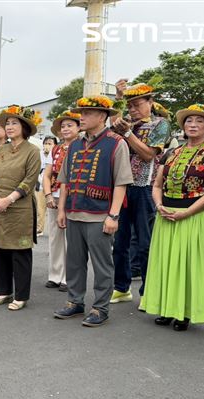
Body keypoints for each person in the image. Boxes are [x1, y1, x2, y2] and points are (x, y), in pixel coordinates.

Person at [140, 104, 204, 331]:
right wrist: (159, 205)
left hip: (194, 216)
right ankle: (167, 308)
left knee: (188, 264)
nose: (193, 125)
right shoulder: (171, 153)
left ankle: (185, 312)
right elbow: (157, 184)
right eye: (189, 121)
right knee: (166, 262)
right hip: (166, 214)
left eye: (199, 121)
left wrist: (186, 212)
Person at [53, 96, 133, 327]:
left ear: (102, 116)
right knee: (74, 261)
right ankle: (75, 302)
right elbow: (65, 181)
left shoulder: (116, 143)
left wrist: (114, 215)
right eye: (81, 113)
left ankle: (100, 307)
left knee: (102, 264)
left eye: (87, 113)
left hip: (100, 215)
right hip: (74, 212)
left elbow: (121, 183)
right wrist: (61, 210)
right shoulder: (75, 144)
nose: (82, 117)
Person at [109, 82, 171, 304]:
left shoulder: (160, 124)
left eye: (137, 104)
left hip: (146, 188)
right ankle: (121, 287)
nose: (133, 109)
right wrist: (117, 98)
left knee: (145, 244)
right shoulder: (127, 124)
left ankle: (148, 291)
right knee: (120, 242)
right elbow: (112, 120)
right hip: (123, 188)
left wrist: (127, 133)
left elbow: (148, 155)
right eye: (130, 105)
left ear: (150, 103)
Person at [0, 105, 42, 311]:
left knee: (20, 252)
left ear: (24, 126)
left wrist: (8, 200)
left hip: (20, 208)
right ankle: (4, 292)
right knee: (0, 249)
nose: (9, 127)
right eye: (6, 123)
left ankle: (21, 295)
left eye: (14, 123)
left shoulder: (33, 151)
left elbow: (29, 181)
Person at [42, 110, 80, 292]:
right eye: (63, 126)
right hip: (55, 197)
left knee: (71, 239)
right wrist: (48, 195)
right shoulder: (55, 149)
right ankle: (55, 274)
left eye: (70, 125)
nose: (65, 129)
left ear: (79, 128)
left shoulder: (82, 146)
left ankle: (68, 276)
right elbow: (47, 175)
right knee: (55, 237)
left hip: (74, 197)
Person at [36, 136, 56, 236]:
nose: (47, 145)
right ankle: (40, 229)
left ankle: (55, 230)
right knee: (40, 209)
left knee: (54, 210)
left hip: (55, 186)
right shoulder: (39, 154)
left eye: (50, 143)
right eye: (46, 143)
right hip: (41, 185)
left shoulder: (56, 154)